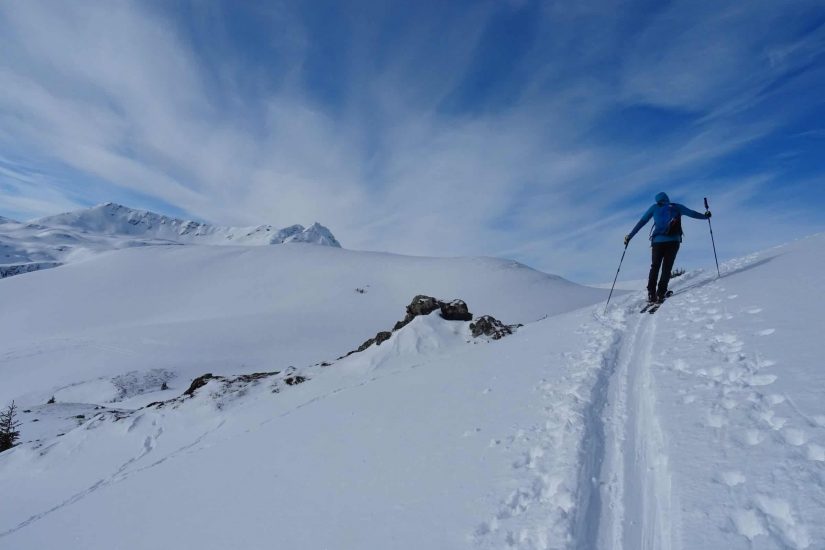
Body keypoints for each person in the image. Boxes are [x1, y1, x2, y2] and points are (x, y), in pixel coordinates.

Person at [624, 192, 711, 303]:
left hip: (657, 242)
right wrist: (705, 216)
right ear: (667, 199)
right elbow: (692, 213)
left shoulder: (654, 208)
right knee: (667, 267)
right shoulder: (676, 206)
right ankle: (661, 293)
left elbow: (642, 222)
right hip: (673, 241)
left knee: (655, 266)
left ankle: (651, 293)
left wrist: (630, 236)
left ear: (657, 200)